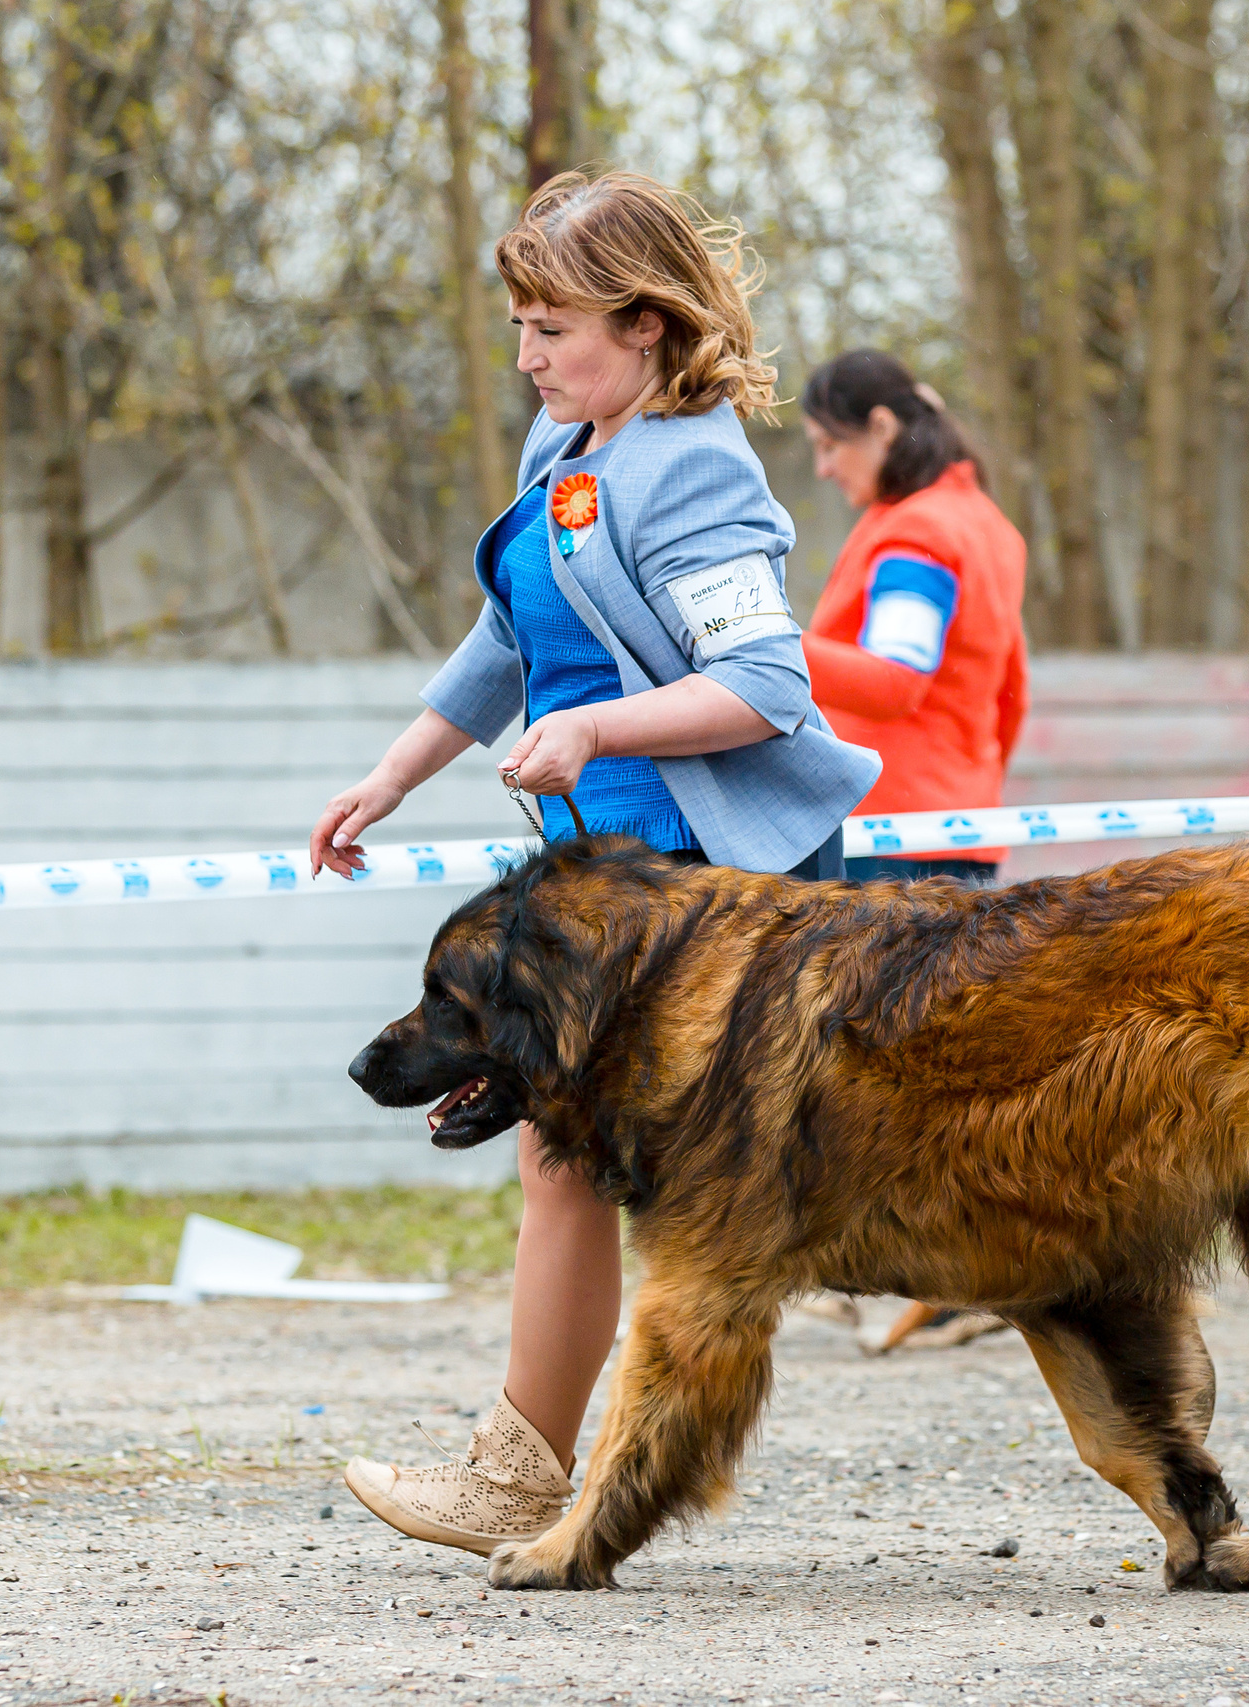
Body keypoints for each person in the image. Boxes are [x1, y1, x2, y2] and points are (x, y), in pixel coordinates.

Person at [308, 169, 878, 1557]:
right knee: (573, 1162)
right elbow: (508, 642)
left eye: (549, 326)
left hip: (700, 887)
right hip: (607, 881)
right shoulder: (563, 447)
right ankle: (536, 1472)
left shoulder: (692, 466)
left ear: (645, 323)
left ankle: (529, 1475)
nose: (527, 355)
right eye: (519, 324)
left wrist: (594, 727)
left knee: (597, 1167)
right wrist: (392, 772)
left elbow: (764, 688)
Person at [796, 348, 1029, 1354]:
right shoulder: (982, 522)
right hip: (955, 822)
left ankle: (827, 1267)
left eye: (825, 444)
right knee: (943, 1073)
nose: (819, 468)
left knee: (849, 1064)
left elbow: (893, 679)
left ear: (880, 430)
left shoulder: (917, 534)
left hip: (886, 834)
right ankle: (983, 1270)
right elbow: (1007, 691)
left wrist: (747, 645)